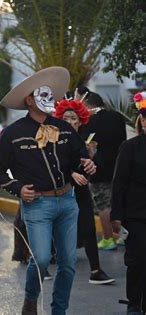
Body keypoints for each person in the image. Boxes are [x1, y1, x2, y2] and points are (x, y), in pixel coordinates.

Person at [0, 67, 96, 315]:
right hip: (37, 204)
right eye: (42, 94)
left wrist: (87, 165)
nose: (49, 98)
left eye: (50, 94)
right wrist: (17, 188)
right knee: (42, 259)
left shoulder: (64, 128)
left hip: (68, 201)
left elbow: (80, 159)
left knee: (68, 263)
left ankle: (59, 310)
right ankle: (30, 301)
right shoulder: (12, 134)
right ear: (29, 99)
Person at [55, 97, 115, 285]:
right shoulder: (54, 140)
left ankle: (96, 270)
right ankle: (43, 264)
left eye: (74, 118)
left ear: (81, 120)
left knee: (89, 229)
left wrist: (92, 159)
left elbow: (94, 168)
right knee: (55, 231)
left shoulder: (85, 142)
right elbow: (52, 166)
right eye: (66, 118)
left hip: (80, 192)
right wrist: (72, 173)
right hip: (59, 193)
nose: (70, 122)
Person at [111, 91, 146, 315]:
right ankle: (134, 304)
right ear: (142, 120)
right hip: (136, 216)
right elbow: (119, 183)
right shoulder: (130, 147)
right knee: (138, 262)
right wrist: (116, 215)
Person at [83, 92, 126, 250]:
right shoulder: (117, 117)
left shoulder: (90, 121)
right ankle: (124, 237)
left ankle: (108, 239)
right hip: (120, 167)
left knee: (103, 205)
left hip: (99, 170)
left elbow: (88, 146)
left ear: (87, 103)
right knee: (120, 202)